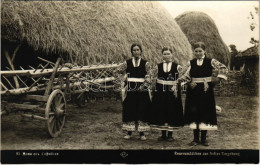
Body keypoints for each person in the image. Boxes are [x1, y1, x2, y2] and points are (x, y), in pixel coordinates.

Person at [178, 42, 228, 146]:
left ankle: (204, 139)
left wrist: (217, 79)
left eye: (200, 51)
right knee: (194, 113)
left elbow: (223, 68)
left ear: (204, 51)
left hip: (206, 91)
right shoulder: (190, 63)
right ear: (194, 52)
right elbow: (184, 75)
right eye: (196, 51)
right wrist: (188, 82)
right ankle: (195, 139)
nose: (198, 53)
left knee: (205, 112)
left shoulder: (211, 61)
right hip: (193, 91)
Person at [114, 43, 151, 141]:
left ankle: (141, 133)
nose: (136, 52)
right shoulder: (127, 63)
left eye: (138, 50)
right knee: (129, 109)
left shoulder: (145, 63)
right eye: (134, 50)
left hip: (142, 90)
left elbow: (149, 76)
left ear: (141, 51)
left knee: (141, 109)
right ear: (131, 52)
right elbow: (116, 71)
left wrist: (144, 86)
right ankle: (129, 132)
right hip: (130, 89)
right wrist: (122, 81)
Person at [150, 47, 184, 142]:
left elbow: (184, 77)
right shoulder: (158, 66)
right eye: (164, 54)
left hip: (172, 92)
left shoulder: (177, 67)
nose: (166, 55)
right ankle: (163, 135)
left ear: (172, 55)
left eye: (168, 53)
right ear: (162, 55)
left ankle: (170, 135)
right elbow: (150, 75)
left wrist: (176, 84)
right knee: (161, 110)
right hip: (160, 92)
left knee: (171, 111)